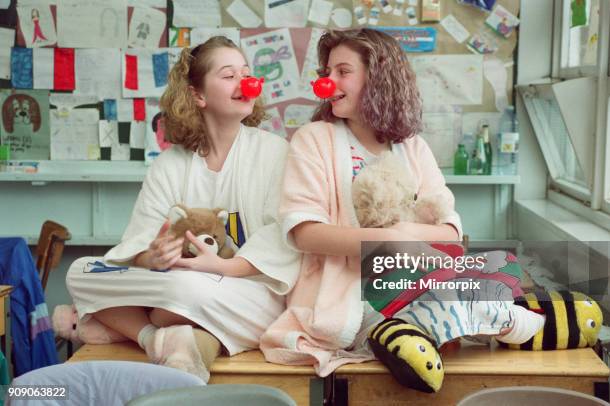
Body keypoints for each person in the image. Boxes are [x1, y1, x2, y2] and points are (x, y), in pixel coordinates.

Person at [260, 29, 544, 384]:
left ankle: (452, 322)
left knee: (502, 270)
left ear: (378, 77)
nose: (328, 82)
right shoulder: (313, 139)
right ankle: (495, 320)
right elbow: (304, 233)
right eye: (325, 72)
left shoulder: (412, 147)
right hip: (348, 292)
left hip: (419, 277)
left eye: (342, 72)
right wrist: (383, 244)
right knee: (465, 297)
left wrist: (401, 235)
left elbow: (451, 234)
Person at [64, 36, 300, 382]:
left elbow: (280, 240)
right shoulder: (170, 164)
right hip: (179, 284)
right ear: (198, 95)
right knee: (80, 272)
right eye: (229, 75)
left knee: (184, 289)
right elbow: (138, 243)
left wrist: (218, 266)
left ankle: (153, 322)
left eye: (246, 73)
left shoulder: (275, 152)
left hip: (250, 294)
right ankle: (156, 336)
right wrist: (152, 258)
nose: (245, 83)